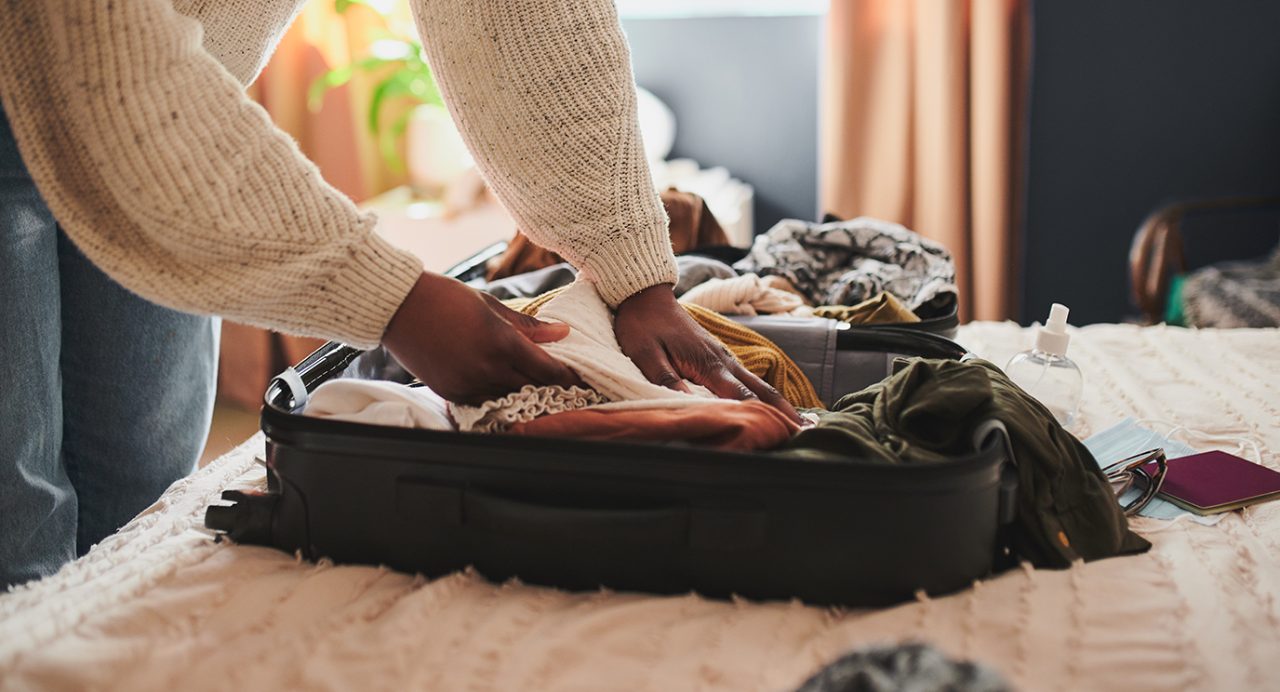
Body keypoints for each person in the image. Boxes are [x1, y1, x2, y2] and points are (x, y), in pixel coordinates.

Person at [0, 0, 798, 589]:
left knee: (137, 511)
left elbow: (522, 18)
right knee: (19, 532)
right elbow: (97, 59)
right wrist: (393, 300)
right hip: (64, 74)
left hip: (180, 107)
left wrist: (634, 270)